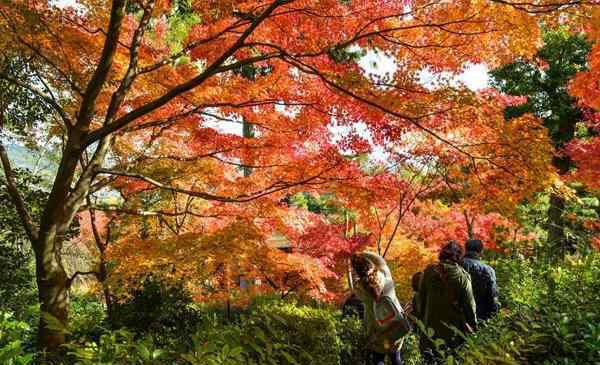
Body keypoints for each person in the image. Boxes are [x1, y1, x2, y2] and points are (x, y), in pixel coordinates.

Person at [417, 241, 477, 364]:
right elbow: (470, 305)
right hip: (453, 333)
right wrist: (473, 325)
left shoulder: (429, 271)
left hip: (430, 330)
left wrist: (421, 321)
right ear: (459, 256)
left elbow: (420, 299)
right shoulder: (462, 276)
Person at [351, 252, 411, 365]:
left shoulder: (360, 289)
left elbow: (353, 284)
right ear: (369, 265)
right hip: (396, 326)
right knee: (396, 358)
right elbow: (380, 260)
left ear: (358, 272)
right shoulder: (386, 277)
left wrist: (354, 267)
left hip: (378, 333)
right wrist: (363, 253)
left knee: (378, 359)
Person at [462, 239, 499, 321]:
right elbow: (492, 294)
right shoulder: (488, 270)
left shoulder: (455, 266)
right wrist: (494, 313)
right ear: (481, 251)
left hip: (457, 315)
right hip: (480, 314)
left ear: (465, 249)